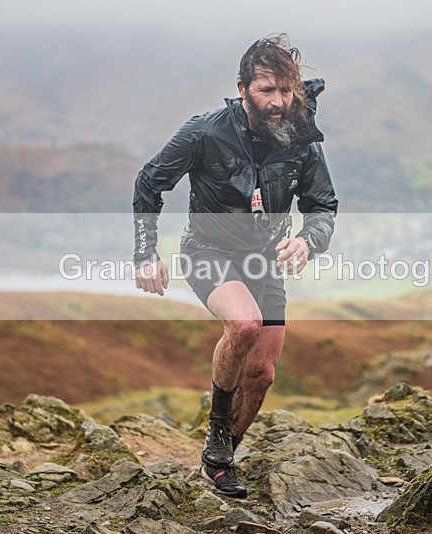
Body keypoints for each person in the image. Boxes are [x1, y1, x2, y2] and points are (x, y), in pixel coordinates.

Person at [131, 35, 338, 498]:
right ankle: (217, 445)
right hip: (208, 251)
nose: (279, 101)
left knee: (262, 374)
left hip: (266, 261)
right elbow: (150, 181)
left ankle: (220, 457)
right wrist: (146, 252)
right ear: (242, 88)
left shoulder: (302, 138)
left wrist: (308, 240)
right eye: (267, 90)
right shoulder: (205, 132)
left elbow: (323, 205)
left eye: (287, 90)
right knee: (244, 324)